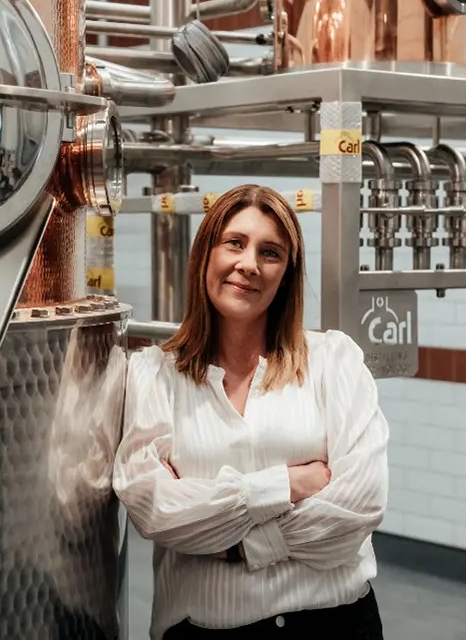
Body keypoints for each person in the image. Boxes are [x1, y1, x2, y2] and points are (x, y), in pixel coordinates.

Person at [112, 184, 391, 639]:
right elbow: (156, 511)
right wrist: (287, 484)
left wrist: (236, 546)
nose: (249, 264)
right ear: (205, 254)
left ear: (286, 274)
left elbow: (358, 510)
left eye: (270, 253)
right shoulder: (153, 373)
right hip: (203, 630)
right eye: (235, 243)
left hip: (335, 624)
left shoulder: (333, 360)